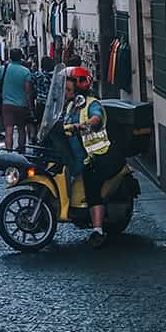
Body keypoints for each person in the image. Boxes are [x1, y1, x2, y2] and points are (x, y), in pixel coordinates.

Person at [57, 65, 117, 246]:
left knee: (92, 187)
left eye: (68, 89)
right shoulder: (70, 106)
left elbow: (96, 118)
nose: (65, 93)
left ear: (79, 88)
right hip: (80, 155)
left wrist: (81, 126)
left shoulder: (92, 104)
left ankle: (98, 231)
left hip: (98, 155)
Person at [0, 48, 35, 153]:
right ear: (21, 57)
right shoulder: (26, 71)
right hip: (22, 104)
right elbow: (28, 91)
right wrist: (30, 106)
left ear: (10, 57)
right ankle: (21, 150)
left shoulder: (3, 69)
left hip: (7, 104)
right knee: (21, 129)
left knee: (8, 130)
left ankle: (9, 152)